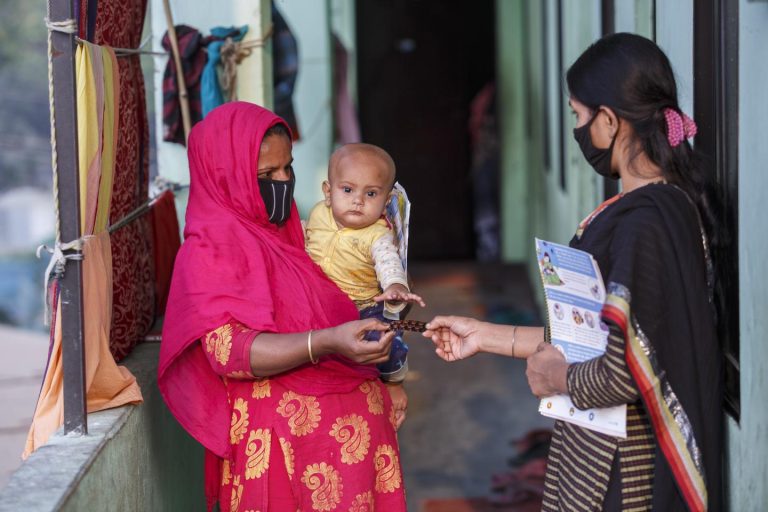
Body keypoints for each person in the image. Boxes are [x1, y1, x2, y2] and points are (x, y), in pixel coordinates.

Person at [423, 33, 722, 511]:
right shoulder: (653, 209)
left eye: (577, 116)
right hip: (599, 452)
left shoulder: (646, 224)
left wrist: (558, 378)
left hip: (621, 470)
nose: (578, 130)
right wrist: (483, 335)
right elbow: (590, 338)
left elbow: (624, 372)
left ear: (609, 121)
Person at [158, 102, 407, 511]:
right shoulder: (210, 251)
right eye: (266, 175)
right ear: (226, 176)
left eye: (287, 168)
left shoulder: (290, 233)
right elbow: (229, 352)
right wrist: (327, 341)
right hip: (282, 450)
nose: (282, 183)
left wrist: (390, 374)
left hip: (356, 453)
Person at [305, 143, 425, 430]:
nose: (357, 201)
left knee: (384, 340)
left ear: (385, 201)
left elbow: (389, 263)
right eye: (347, 190)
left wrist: (394, 287)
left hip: (363, 306)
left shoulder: (377, 235)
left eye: (370, 194)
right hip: (317, 301)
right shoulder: (318, 214)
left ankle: (394, 381)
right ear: (328, 191)